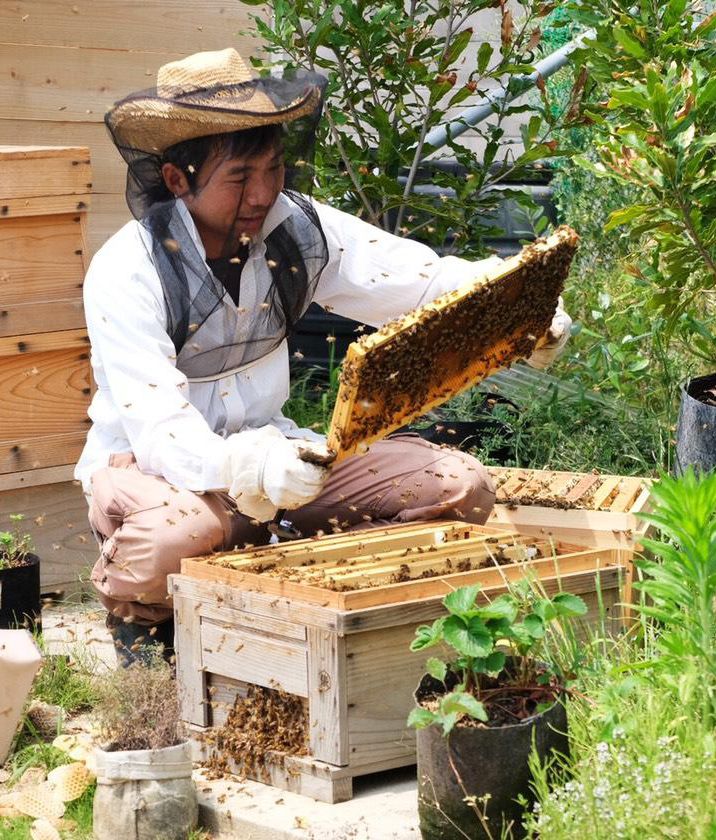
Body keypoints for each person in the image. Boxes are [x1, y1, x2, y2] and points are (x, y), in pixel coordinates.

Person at [75, 48, 572, 665]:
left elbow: (418, 280)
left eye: (274, 167)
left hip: (287, 453)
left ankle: (318, 611)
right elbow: (159, 431)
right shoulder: (127, 270)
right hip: (160, 471)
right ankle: (145, 639)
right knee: (174, 540)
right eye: (239, 177)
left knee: (461, 487)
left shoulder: (298, 228)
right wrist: (251, 468)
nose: (262, 193)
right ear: (178, 179)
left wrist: (515, 300)